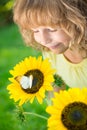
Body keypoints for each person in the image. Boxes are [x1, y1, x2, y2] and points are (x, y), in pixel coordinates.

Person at [13, 0, 87, 90]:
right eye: (35, 30)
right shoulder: (51, 54)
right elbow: (56, 85)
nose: (44, 40)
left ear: (78, 22)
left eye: (52, 30)